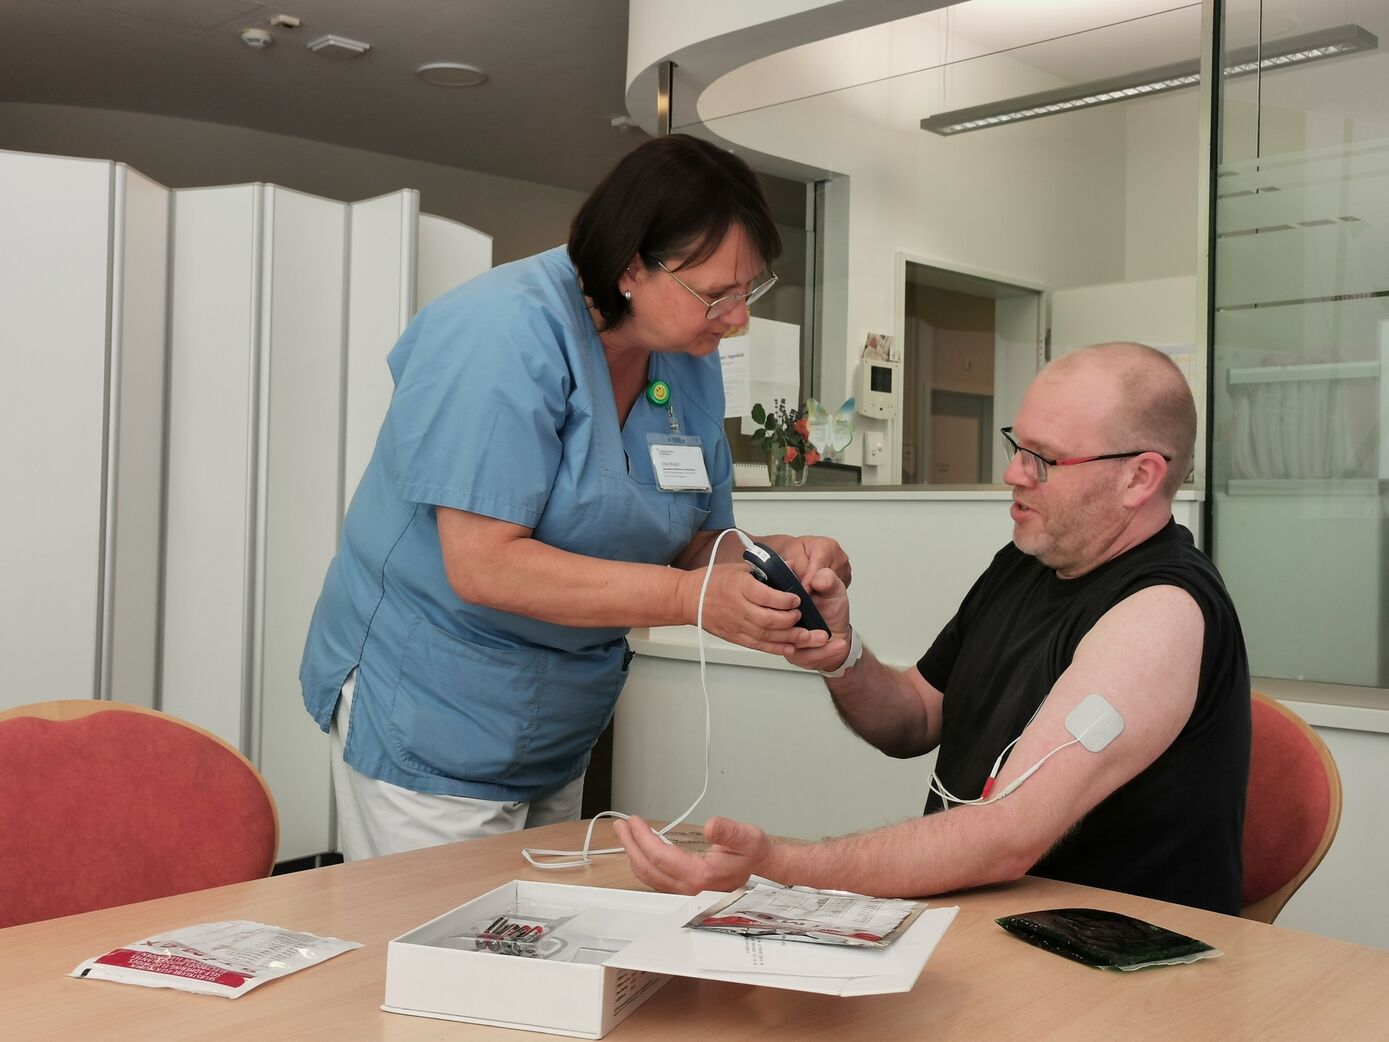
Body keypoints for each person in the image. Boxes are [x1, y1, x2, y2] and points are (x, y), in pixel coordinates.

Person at [300, 134, 849, 861]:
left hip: (556, 720)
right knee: (441, 955)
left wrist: (764, 560)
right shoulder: (499, 331)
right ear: (629, 267)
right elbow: (484, 566)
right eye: (715, 295)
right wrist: (692, 599)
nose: (737, 318)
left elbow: (689, 537)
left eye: (748, 290)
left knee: (533, 945)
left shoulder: (685, 356)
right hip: (436, 703)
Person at [617, 342, 1252, 914]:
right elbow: (916, 718)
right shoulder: (1026, 563)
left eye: (1045, 460)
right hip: (984, 925)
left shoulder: (1161, 611)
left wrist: (778, 869)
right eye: (1017, 446)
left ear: (1139, 476)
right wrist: (842, 656)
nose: (1014, 474)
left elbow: (1004, 836)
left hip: (1108, 969)